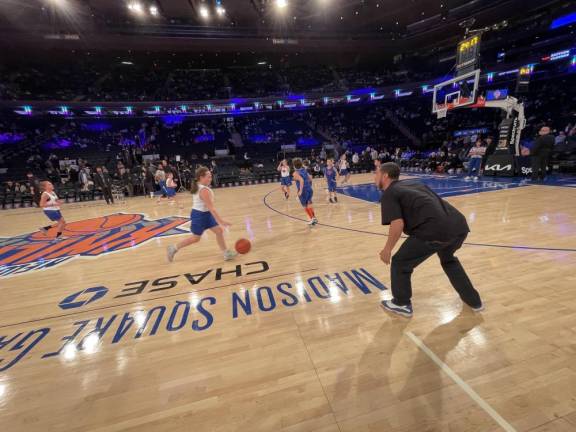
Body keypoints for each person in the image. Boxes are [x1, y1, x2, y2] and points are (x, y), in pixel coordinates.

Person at [376, 162, 483, 317]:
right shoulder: (412, 183)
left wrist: (387, 249)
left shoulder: (390, 193)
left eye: (376, 173)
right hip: (458, 225)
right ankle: (475, 301)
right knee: (448, 260)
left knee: (400, 262)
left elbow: (397, 223)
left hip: (434, 231)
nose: (374, 177)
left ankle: (402, 303)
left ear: (385, 176)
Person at [167, 167, 237, 262]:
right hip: (199, 216)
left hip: (205, 214)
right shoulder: (204, 190)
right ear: (201, 177)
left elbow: (209, 208)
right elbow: (212, 208)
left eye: (210, 177)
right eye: (208, 177)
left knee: (219, 231)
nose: (210, 179)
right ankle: (174, 248)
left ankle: (226, 253)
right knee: (196, 238)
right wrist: (221, 221)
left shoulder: (199, 186)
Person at [292, 158, 318, 226]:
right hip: (309, 189)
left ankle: (312, 219)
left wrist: (300, 191)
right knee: (309, 204)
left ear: (294, 166)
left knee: (305, 206)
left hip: (303, 191)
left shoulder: (295, 173)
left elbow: (301, 180)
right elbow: (310, 178)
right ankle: (314, 218)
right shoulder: (304, 170)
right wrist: (308, 185)